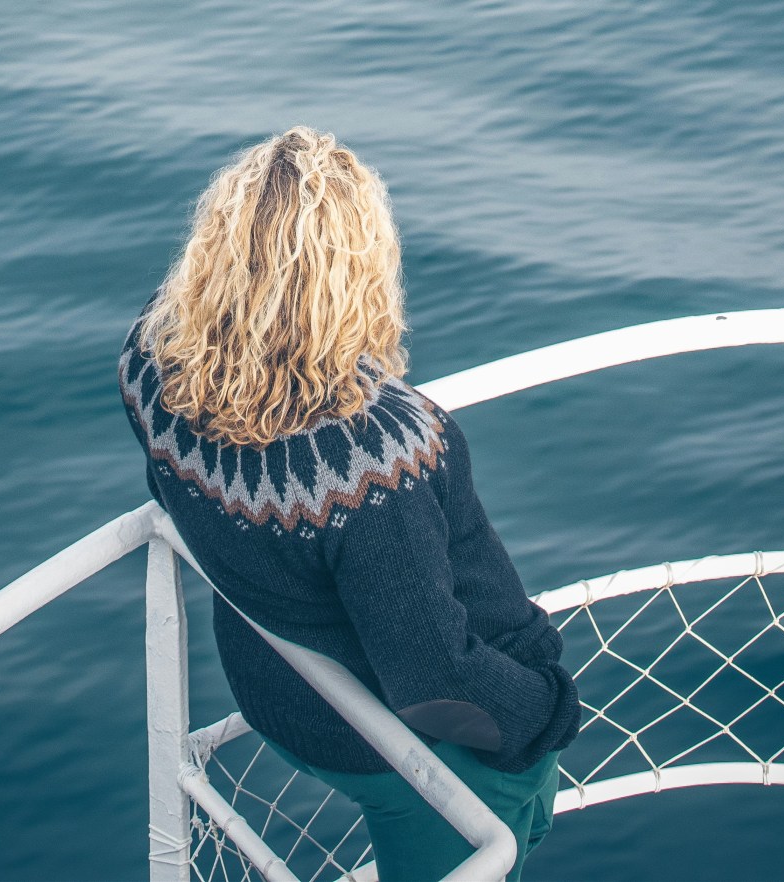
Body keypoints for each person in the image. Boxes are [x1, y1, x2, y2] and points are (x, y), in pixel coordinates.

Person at [117, 125, 580, 881]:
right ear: (358, 271)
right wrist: (548, 712)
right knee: (498, 846)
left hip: (282, 697)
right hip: (416, 752)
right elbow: (438, 683)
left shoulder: (150, 365)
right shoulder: (371, 464)